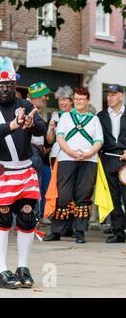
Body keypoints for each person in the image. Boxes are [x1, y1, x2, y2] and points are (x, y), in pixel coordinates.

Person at [0, 56, 47, 289]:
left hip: (23, 170)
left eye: (9, 84)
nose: (5, 89)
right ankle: (1, 271)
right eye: (0, 85)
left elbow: (43, 129)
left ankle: (23, 267)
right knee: (3, 216)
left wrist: (31, 124)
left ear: (15, 85)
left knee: (27, 215)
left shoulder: (25, 105)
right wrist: (12, 126)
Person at [43, 87, 103, 244]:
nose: (78, 102)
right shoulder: (66, 117)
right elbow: (60, 138)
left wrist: (88, 154)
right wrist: (71, 152)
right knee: (63, 194)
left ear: (87, 100)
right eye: (76, 99)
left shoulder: (95, 119)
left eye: (81, 99)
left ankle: (80, 232)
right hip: (66, 159)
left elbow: (99, 141)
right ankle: (56, 231)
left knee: (83, 195)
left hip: (89, 161)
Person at [44, 86, 75, 237]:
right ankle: (60, 226)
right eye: (60, 100)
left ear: (72, 101)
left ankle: (71, 225)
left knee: (72, 193)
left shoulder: (77, 115)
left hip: (73, 156)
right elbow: (49, 141)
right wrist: (50, 129)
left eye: (65, 100)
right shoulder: (55, 115)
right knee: (58, 192)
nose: (62, 102)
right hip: (57, 155)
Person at [97, 84, 125, 243]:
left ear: (121, 96)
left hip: (125, 160)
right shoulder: (101, 116)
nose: (110, 97)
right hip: (107, 159)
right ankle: (119, 232)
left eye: (114, 94)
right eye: (108, 94)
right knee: (113, 198)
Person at [28, 82, 51, 222]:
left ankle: (30, 219)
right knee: (33, 187)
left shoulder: (34, 110)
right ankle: (31, 220)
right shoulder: (31, 110)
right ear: (35, 97)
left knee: (33, 186)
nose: (46, 99)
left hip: (35, 152)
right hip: (31, 152)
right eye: (44, 95)